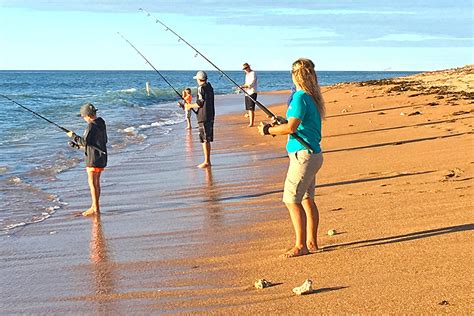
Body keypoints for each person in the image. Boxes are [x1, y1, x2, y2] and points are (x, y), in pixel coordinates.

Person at [258, 58, 325, 258]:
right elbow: (295, 123)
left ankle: (301, 245)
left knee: (291, 199)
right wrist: (281, 122)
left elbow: (291, 128)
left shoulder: (299, 97)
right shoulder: (311, 97)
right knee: (306, 199)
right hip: (313, 154)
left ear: (294, 75)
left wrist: (268, 130)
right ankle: (311, 242)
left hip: (303, 156)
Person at [67, 103, 108, 216]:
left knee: (92, 182)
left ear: (88, 116)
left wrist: (73, 135)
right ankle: (95, 206)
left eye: (84, 117)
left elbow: (84, 141)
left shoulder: (91, 125)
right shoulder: (101, 123)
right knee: (96, 182)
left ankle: (95, 208)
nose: (84, 119)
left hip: (93, 159)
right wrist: (77, 146)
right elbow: (96, 142)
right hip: (101, 157)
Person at [185, 71, 215, 168]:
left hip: (204, 116)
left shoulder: (201, 88)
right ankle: (207, 160)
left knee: (204, 139)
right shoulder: (210, 87)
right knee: (207, 139)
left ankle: (207, 161)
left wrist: (189, 106)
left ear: (199, 79)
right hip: (210, 114)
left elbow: (199, 103)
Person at [241, 63, 258, 127]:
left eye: (246, 68)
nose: (245, 70)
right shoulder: (247, 75)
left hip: (252, 92)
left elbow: (251, 84)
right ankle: (250, 121)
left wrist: (243, 86)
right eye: (244, 69)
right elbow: (246, 83)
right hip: (247, 93)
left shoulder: (253, 73)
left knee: (251, 109)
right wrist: (241, 87)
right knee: (248, 108)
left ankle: (251, 123)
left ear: (248, 67)